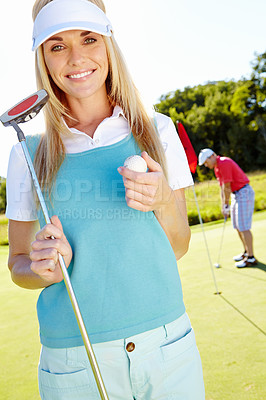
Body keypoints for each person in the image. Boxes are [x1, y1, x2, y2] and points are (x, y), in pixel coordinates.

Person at [6, 0, 205, 399]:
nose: (76, 58)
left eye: (89, 39)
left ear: (108, 44)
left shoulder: (158, 131)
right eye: (57, 45)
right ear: (43, 57)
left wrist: (164, 200)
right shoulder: (26, 152)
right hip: (74, 360)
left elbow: (179, 246)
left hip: (166, 346)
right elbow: (18, 265)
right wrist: (42, 267)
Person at [198, 148, 257, 268]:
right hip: (237, 194)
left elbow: (227, 186)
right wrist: (223, 206)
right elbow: (222, 188)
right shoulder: (217, 168)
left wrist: (226, 204)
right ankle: (246, 252)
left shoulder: (224, 163)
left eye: (205, 162)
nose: (206, 165)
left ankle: (251, 258)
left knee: (244, 226)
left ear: (212, 156)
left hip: (243, 192)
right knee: (237, 225)